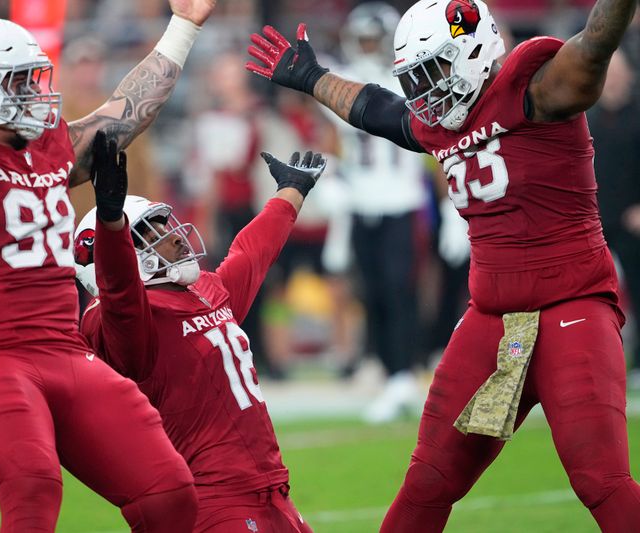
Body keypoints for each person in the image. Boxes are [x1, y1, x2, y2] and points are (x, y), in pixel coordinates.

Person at [246, 0, 640, 530]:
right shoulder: (439, 123)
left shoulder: (540, 89)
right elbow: (377, 109)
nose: (424, 91)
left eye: (433, 71)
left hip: (572, 307)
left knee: (601, 481)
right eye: (416, 77)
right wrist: (314, 77)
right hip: (494, 319)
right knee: (429, 481)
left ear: (472, 52)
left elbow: (595, 42)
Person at [0, 0, 216, 530]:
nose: (35, 93)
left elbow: (123, 112)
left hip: (63, 345)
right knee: (32, 486)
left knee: (168, 491)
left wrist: (183, 28)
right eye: (19, 82)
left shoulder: (47, 143)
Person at [74, 132, 322, 532]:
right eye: (150, 233)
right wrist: (111, 223)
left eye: (163, 224)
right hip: (210, 502)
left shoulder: (203, 291)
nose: (172, 235)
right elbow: (120, 293)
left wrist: (290, 192)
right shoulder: (117, 321)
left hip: (273, 493)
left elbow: (251, 253)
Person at [322, 2, 430, 420]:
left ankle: (403, 373)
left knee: (398, 290)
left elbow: (433, 144)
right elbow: (331, 140)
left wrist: (448, 204)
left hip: (401, 201)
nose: (367, 47)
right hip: (361, 203)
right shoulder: (345, 84)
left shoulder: (409, 82)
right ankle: (391, 373)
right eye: (362, 39)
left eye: (373, 39)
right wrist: (332, 179)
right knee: (372, 293)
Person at [587, 49, 640, 383]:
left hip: (634, 221)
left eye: (620, 72)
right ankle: (598, 363)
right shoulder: (587, 119)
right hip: (596, 224)